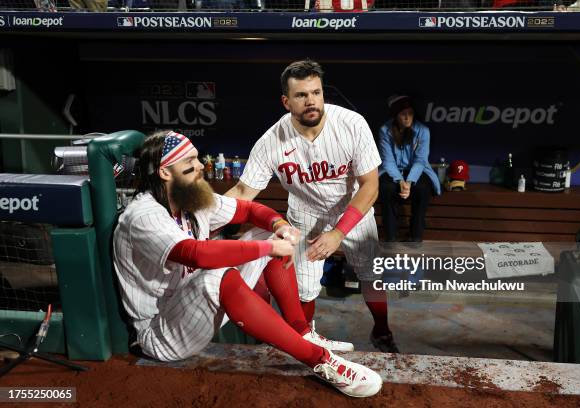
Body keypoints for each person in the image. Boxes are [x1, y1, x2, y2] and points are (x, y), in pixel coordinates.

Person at [112, 130, 382, 398]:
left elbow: (249, 209)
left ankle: (302, 332)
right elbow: (197, 254)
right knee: (220, 274)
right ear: (165, 172)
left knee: (268, 234)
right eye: (189, 163)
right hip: (161, 332)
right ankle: (320, 361)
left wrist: (280, 226)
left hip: (193, 306)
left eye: (196, 159)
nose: (198, 167)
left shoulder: (188, 197)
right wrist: (267, 248)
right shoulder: (143, 214)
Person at [225, 59, 399, 353]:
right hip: (305, 215)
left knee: (371, 277)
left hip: (352, 208)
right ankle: (305, 340)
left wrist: (338, 233)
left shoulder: (351, 124)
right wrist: (201, 215)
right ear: (286, 101)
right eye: (301, 95)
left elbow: (370, 186)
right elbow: (243, 190)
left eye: (316, 93)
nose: (311, 101)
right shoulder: (271, 141)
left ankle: (381, 330)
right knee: (304, 290)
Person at [378, 95, 441, 243]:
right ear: (395, 115)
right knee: (387, 188)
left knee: (422, 188)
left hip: (418, 170)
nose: (407, 117)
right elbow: (388, 161)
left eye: (410, 113)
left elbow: (420, 161)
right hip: (393, 170)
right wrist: (400, 181)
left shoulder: (423, 131)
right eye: (402, 114)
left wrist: (410, 181)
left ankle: (415, 237)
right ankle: (391, 239)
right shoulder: (385, 130)